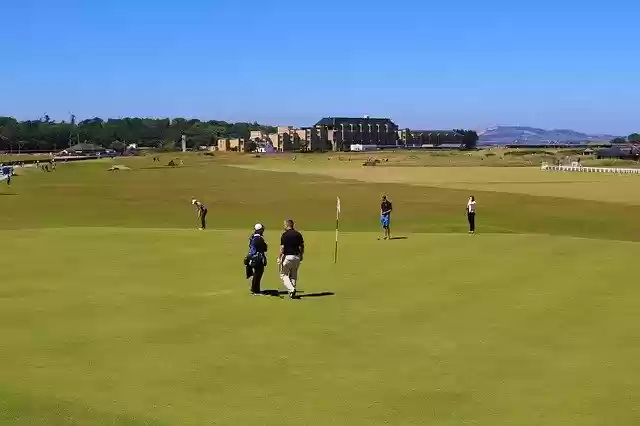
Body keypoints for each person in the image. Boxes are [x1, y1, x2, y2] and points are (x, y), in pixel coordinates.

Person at [278, 219, 304, 299]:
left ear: (287, 225)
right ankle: (292, 293)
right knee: (293, 275)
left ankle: (292, 289)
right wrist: (301, 255)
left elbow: (282, 248)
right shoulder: (298, 234)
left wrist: (279, 257)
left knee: (283, 275)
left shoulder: (284, 235)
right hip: (297, 257)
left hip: (288, 257)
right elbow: (301, 246)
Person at [245, 223, 268, 295]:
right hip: (257, 258)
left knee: (256, 273)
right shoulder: (259, 239)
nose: (263, 231)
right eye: (262, 230)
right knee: (258, 273)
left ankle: (254, 289)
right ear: (259, 230)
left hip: (251, 257)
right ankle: (255, 290)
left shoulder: (252, 237)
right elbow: (263, 249)